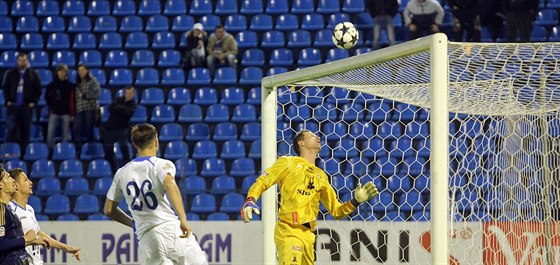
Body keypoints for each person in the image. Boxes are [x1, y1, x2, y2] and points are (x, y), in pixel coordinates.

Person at [241, 130, 379, 265]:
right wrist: (250, 200)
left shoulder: (321, 176)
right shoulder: (288, 162)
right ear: (301, 143)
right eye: (312, 136)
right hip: (289, 230)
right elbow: (264, 181)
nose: (318, 137)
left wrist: (356, 201)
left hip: (309, 235)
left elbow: (336, 211)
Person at [104, 124, 207, 265]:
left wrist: (133, 223)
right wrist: (183, 218)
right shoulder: (161, 164)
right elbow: (170, 184)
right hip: (171, 230)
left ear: (134, 144)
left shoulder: (121, 173)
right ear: (156, 142)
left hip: (147, 240)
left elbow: (109, 210)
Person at [7, 168, 81, 264]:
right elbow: (8, 242)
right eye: (25, 180)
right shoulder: (10, 210)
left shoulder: (30, 209)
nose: (30, 183)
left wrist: (67, 248)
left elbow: (38, 233)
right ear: (16, 185)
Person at [0, 165, 49, 265]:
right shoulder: (1, 209)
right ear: (1, 185)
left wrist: (31, 242)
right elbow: (1, 244)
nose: (13, 181)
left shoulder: (7, 208)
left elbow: (11, 241)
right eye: (8, 177)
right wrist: (25, 239)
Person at [1, 53, 41, 149]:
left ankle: (23, 153)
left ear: (27, 61)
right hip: (13, 106)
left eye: (24, 60)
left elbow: (38, 89)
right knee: (11, 130)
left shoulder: (33, 74)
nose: (22, 62)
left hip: (26, 107)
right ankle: (9, 152)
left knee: (25, 130)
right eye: (20, 60)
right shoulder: (10, 73)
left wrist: (34, 102)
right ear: (17, 61)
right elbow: (5, 87)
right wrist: (7, 101)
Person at [102, 86, 137, 172]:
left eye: (130, 93)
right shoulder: (118, 99)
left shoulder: (133, 104)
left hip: (122, 128)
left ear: (133, 94)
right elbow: (110, 108)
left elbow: (127, 114)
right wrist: (121, 109)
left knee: (124, 148)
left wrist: (119, 108)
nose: (128, 95)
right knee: (108, 149)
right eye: (127, 93)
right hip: (110, 127)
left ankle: (128, 169)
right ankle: (112, 168)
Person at [45, 64, 75, 149]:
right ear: (57, 72)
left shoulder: (70, 85)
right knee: (50, 133)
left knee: (65, 134)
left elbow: (73, 99)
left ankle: (64, 151)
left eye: (64, 71)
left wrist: (72, 113)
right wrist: (52, 106)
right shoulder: (51, 85)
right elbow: (47, 97)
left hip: (66, 112)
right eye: (60, 71)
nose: (62, 73)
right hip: (54, 111)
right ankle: (50, 151)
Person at [73, 64, 100, 147]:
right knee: (76, 129)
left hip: (90, 108)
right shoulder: (77, 82)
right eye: (79, 70)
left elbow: (97, 93)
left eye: (82, 70)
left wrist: (86, 95)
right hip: (79, 108)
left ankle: (90, 145)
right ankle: (78, 148)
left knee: (89, 128)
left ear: (87, 70)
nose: (80, 72)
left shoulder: (93, 80)